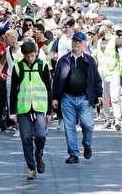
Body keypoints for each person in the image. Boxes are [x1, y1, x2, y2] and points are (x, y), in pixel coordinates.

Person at [52, 32, 103, 164]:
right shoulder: (63, 60)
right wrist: (55, 98)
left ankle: (87, 145)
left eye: (79, 41)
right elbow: (56, 80)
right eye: (75, 40)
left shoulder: (89, 60)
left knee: (88, 125)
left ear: (84, 44)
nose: (76, 43)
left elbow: (96, 79)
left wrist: (99, 95)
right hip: (67, 98)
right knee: (69, 127)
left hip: (85, 99)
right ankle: (73, 154)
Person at [9, 41, 52, 180]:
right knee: (26, 138)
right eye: (27, 56)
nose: (30, 59)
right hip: (23, 107)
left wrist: (50, 111)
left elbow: (48, 89)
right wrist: (12, 111)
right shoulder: (18, 67)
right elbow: (13, 91)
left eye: (32, 56)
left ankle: (39, 154)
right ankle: (31, 168)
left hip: (40, 106)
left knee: (40, 135)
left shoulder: (43, 65)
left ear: (36, 53)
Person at [92, 20, 122, 130]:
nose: (98, 29)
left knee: (115, 97)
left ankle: (117, 120)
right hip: (102, 74)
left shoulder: (117, 41)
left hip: (114, 73)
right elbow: (94, 56)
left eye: (100, 27)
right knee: (104, 98)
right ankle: (108, 119)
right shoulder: (100, 41)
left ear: (105, 27)